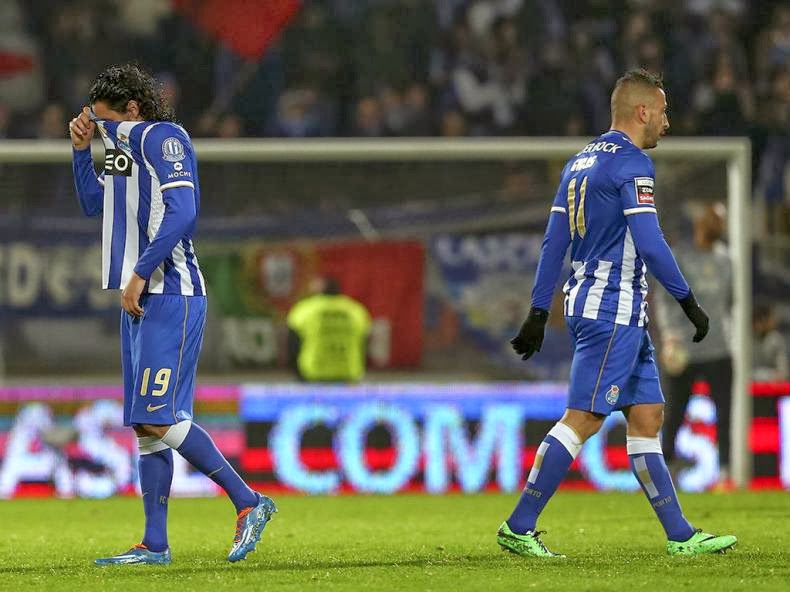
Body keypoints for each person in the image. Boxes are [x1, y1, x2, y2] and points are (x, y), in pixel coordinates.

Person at [501, 69, 737, 557]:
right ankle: (519, 525)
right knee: (584, 417)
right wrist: (689, 302)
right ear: (642, 111)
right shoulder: (632, 163)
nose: (667, 123)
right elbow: (650, 242)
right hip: (611, 307)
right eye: (664, 112)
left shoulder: (579, 162)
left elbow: (554, 243)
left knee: (647, 416)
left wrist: (540, 311)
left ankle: (680, 536)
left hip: (606, 306)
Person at [69, 64, 276, 566]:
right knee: (146, 425)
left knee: (157, 416)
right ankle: (155, 544)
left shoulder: (165, 138)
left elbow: (184, 212)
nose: (100, 127)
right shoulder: (121, 147)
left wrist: (141, 272)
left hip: (172, 292)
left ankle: (248, 501)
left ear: (132, 110)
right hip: (140, 297)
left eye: (104, 120)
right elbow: (96, 205)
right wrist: (80, 152)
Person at [654, 203, 733, 488]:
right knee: (674, 412)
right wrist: (670, 335)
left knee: (725, 412)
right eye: (715, 220)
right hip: (684, 348)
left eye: (722, 221)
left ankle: (725, 472)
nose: (719, 226)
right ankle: (666, 472)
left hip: (719, 348)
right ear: (701, 224)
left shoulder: (727, 259)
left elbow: (731, 301)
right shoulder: (680, 258)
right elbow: (664, 299)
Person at [287, 277, 372, 383]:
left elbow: (292, 345)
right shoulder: (356, 310)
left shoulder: (305, 310)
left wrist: (297, 374)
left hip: (313, 373)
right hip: (348, 374)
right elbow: (364, 343)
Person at [752, 303, 789, 381]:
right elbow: (744, 372)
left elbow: (782, 373)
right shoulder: (746, 341)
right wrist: (769, 374)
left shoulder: (776, 340)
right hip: (750, 385)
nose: (774, 321)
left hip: (772, 386)